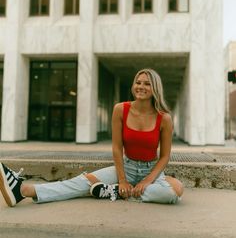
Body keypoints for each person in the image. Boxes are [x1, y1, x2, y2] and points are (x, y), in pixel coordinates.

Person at [0, 68, 183, 207]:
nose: (141, 87)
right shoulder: (121, 109)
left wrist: (146, 180)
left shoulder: (164, 118)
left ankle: (115, 193)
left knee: (174, 192)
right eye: (138, 82)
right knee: (82, 182)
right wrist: (122, 180)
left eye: (147, 83)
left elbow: (165, 156)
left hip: (151, 169)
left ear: (155, 88)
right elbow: (117, 148)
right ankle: (23, 190)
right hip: (126, 166)